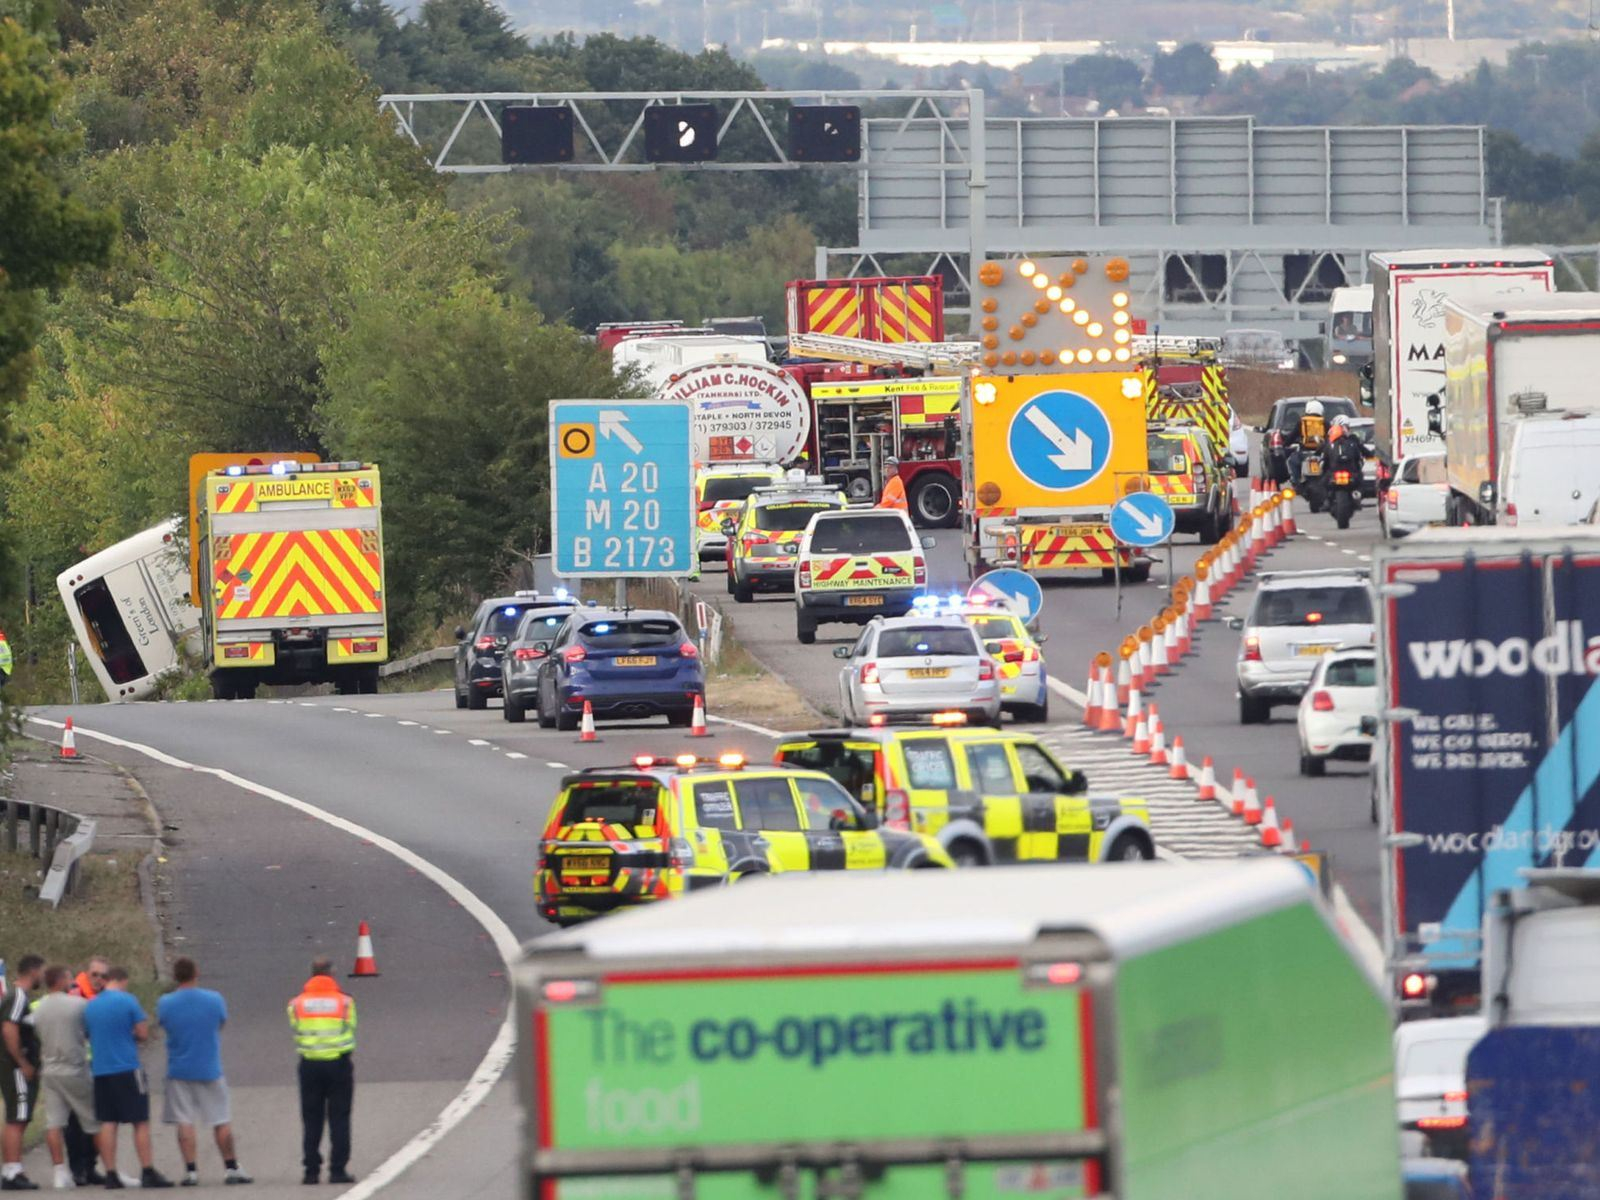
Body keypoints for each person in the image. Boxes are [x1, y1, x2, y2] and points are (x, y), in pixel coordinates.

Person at [156, 959, 250, 1187]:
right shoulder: (214, 999)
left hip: (179, 1069)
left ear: (175, 976)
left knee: (184, 1121)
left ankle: (191, 1172)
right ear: (196, 972)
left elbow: (163, 1025)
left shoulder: (165, 1002)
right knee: (221, 1119)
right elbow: (220, 1024)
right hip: (209, 1067)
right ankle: (231, 1167)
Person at [83, 968, 173, 1189]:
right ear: (121, 981)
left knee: (107, 1121)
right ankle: (147, 1170)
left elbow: (86, 1033)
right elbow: (142, 1033)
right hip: (127, 1067)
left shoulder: (91, 1005)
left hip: (101, 1069)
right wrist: (128, 1034)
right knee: (139, 1121)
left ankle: (111, 1173)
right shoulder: (128, 1000)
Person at [287, 959, 356, 1186]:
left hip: (309, 1066)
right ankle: (337, 1170)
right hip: (338, 1065)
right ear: (331, 973)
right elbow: (350, 1028)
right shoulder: (345, 1003)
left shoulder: (297, 1004)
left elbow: (296, 1027)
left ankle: (311, 1171)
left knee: (311, 1119)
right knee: (339, 1117)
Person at [32, 965, 101, 1191]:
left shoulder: (38, 1007)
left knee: (54, 1122)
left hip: (50, 1068)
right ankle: (107, 1168)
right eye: (70, 978)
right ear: (61, 980)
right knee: (92, 1119)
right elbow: (90, 1029)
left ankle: (60, 1171)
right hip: (74, 1067)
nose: (72, 982)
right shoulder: (78, 1005)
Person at [64, 961, 110, 1185]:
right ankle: (77, 1169)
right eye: (95, 974)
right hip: (77, 1065)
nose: (98, 979)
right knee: (75, 1121)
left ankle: (90, 1167)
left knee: (97, 1119)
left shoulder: (105, 997)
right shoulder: (76, 993)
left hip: (98, 1065)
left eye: (103, 975)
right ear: (87, 973)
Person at [0, 955, 43, 1191]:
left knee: (20, 1116)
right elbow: (9, 1029)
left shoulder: (20, 997)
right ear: (33, 971)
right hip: (15, 1067)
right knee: (16, 1118)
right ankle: (12, 1171)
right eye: (41, 971)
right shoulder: (17, 996)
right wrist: (22, 1062)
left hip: (15, 1065)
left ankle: (13, 1168)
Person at [1288, 398, 1327, 485]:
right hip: (1321, 452)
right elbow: (1331, 437)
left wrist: (1285, 444)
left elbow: (1292, 436)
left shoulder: (1302, 422)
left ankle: (1296, 480)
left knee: (1292, 461)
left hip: (1304, 452)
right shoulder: (1325, 423)